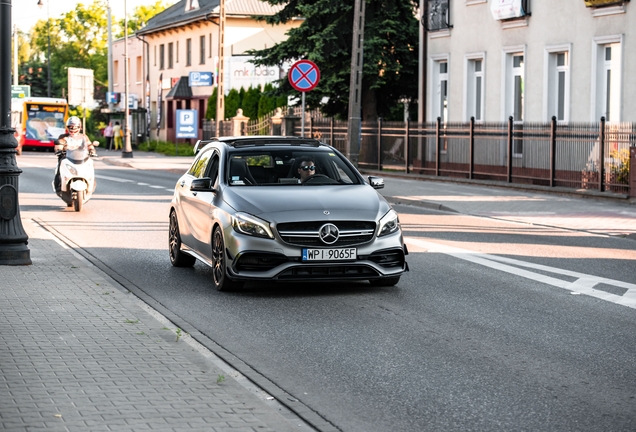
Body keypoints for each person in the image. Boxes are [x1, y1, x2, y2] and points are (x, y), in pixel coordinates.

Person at [53, 116, 97, 194]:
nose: (73, 129)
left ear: (79, 127)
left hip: (81, 158)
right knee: (59, 170)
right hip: (66, 158)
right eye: (70, 127)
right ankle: (59, 186)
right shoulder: (63, 137)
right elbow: (58, 145)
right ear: (68, 127)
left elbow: (89, 144)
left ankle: (90, 185)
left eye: (75, 127)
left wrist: (92, 150)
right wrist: (59, 150)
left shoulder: (83, 136)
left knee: (89, 168)